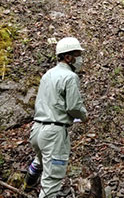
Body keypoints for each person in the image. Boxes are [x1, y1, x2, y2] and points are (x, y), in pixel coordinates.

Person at [24, 37, 88, 197]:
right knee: (51, 183)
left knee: (42, 159)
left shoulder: (48, 74)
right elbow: (73, 107)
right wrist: (84, 116)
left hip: (37, 131)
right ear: (68, 57)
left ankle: (31, 178)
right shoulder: (70, 77)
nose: (80, 59)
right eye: (77, 55)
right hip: (54, 134)